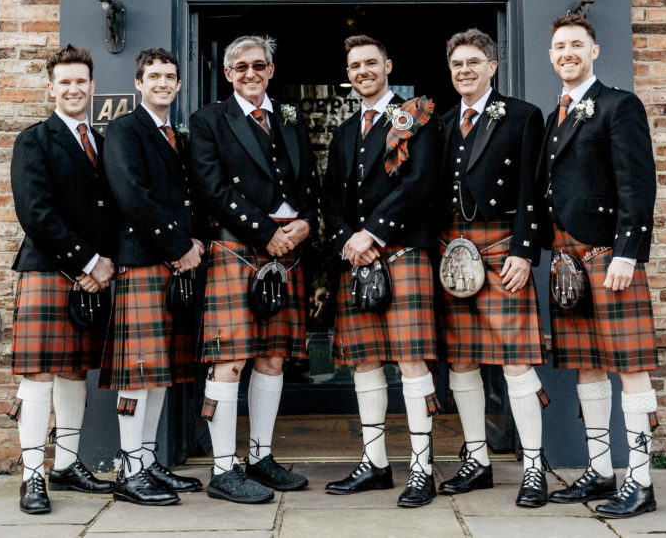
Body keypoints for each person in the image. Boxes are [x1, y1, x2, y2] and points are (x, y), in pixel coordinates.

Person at [189, 35, 319, 504]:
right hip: (240, 246)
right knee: (230, 356)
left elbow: (310, 180)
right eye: (240, 67)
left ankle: (260, 457)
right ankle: (224, 469)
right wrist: (266, 233)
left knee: (273, 355)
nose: (250, 73)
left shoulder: (290, 115)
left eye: (259, 66)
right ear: (227, 74)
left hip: (289, 246)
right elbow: (212, 189)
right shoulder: (208, 120)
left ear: (270, 70)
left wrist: (308, 221)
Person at [539, 14, 659, 518]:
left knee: (630, 368)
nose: (566, 53)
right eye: (559, 46)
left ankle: (641, 481)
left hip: (609, 258)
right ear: (550, 56)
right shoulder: (556, 116)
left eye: (575, 45)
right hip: (568, 262)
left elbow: (638, 183)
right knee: (586, 368)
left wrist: (628, 253)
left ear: (595, 50)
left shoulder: (618, 105)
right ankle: (599, 469)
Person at [320, 34, 442, 508]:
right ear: (348, 74)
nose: (363, 71)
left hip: (403, 252)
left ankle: (421, 469)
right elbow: (329, 198)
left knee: (411, 363)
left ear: (388, 65)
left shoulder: (415, 117)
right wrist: (348, 239)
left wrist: (371, 233)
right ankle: (374, 464)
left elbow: (420, 184)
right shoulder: (345, 129)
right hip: (358, 257)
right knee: (365, 361)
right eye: (355, 65)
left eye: (371, 62)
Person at [436, 29, 549, 506]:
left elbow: (533, 189)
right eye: (457, 63)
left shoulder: (523, 116)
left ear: (492, 66)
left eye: (473, 62)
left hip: (502, 245)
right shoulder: (440, 123)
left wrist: (524, 252)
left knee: (515, 359)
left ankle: (534, 466)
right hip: (454, 251)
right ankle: (477, 460)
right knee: (461, 360)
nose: (465, 70)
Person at [9, 44, 116, 514]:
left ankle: (67, 465)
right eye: (64, 82)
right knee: (38, 373)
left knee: (76, 370)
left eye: (81, 82)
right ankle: (32, 477)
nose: (74, 89)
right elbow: (35, 213)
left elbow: (115, 212)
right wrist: (89, 262)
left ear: (92, 87)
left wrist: (104, 262)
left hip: (93, 274)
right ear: (51, 87)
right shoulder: (34, 140)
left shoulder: (106, 143)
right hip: (48, 270)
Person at [99, 47, 205, 506]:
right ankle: (129, 469)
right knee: (137, 372)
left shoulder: (177, 136)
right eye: (154, 76)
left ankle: (146, 459)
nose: (163, 83)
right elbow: (131, 197)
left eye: (170, 77)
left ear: (179, 86)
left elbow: (192, 197)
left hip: (174, 264)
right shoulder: (124, 129)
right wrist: (181, 247)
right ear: (138, 83)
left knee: (159, 371)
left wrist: (195, 243)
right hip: (144, 260)